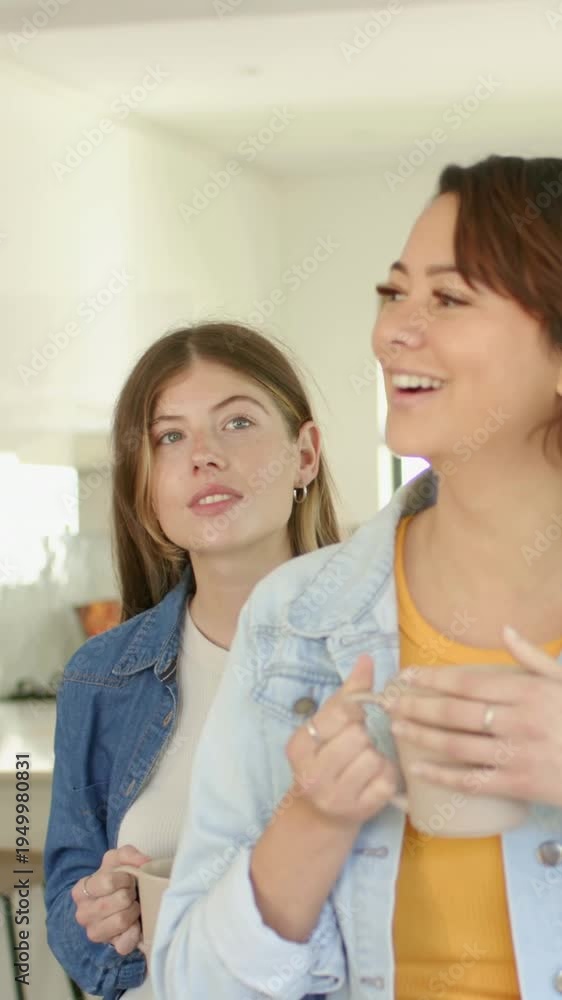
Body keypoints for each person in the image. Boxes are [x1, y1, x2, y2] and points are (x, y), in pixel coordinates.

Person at [151, 155, 562, 1000]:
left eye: (448, 298)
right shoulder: (294, 619)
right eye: (393, 293)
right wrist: (313, 818)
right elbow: (192, 984)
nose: (392, 332)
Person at [43, 321, 341, 1000]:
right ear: (146, 487)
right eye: (169, 437)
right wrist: (102, 914)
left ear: (305, 455)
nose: (204, 456)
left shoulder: (388, 648)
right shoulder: (98, 677)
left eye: (237, 422)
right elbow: (67, 902)